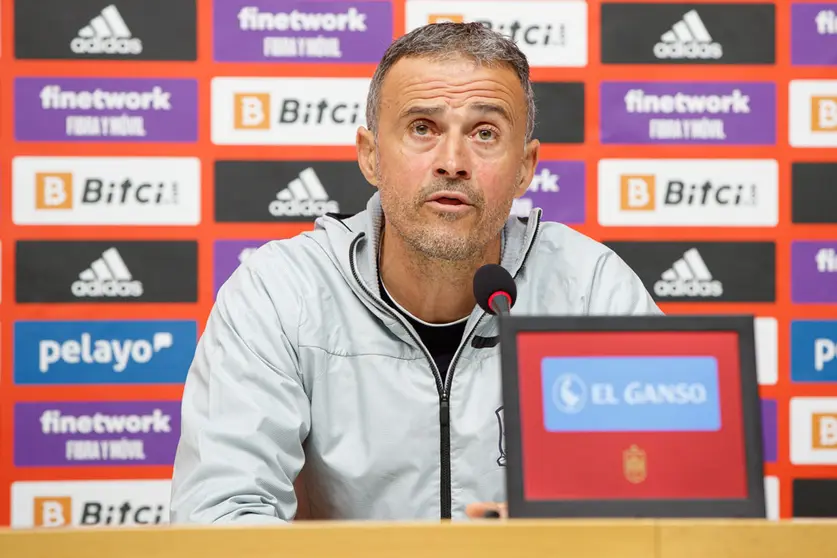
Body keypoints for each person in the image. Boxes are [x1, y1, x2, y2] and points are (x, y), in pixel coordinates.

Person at [169, 21, 662, 525]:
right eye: (422, 128)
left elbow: (672, 495)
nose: (452, 162)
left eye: (485, 133)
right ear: (370, 155)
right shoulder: (280, 291)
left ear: (525, 167)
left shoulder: (591, 290)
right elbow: (217, 517)